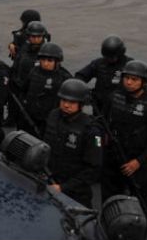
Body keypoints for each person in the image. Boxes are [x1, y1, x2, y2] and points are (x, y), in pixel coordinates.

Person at [100, 60, 147, 209]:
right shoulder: (114, 97)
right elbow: (101, 126)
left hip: (136, 162)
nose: (129, 82)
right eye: (127, 78)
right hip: (112, 158)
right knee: (109, 200)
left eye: (134, 79)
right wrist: (100, 148)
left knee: (139, 202)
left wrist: (139, 161)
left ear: (144, 81)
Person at [43, 79, 102, 208]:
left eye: (72, 102)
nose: (66, 105)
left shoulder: (91, 130)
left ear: (81, 104)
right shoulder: (53, 115)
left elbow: (93, 169)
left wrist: (63, 187)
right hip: (50, 180)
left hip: (75, 192)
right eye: (64, 100)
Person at [75, 35, 134, 115]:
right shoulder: (98, 63)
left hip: (121, 107)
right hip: (100, 107)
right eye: (108, 57)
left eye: (113, 57)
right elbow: (80, 77)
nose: (110, 59)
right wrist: (84, 92)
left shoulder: (130, 65)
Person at [21, 42, 72, 136]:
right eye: (43, 60)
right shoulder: (34, 71)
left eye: (50, 61)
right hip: (30, 117)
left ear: (57, 62)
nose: (45, 63)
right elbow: (24, 90)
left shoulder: (64, 78)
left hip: (50, 121)